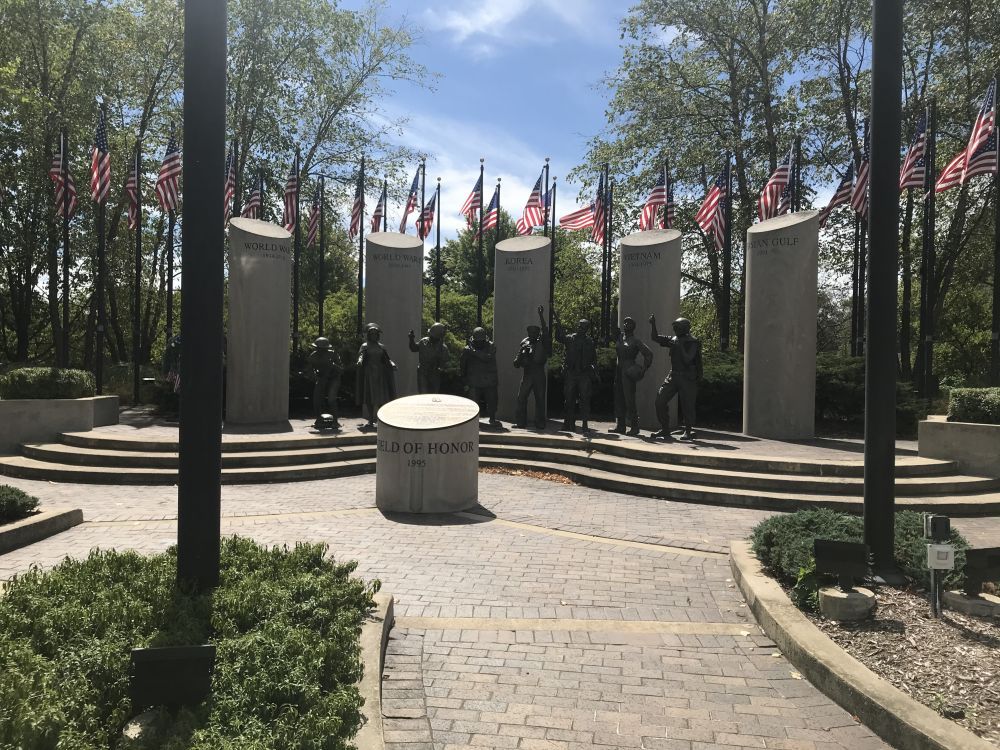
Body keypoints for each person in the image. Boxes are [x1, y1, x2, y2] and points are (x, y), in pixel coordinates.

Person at [648, 315, 703, 440]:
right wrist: (653, 324)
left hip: (687, 377)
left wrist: (679, 345)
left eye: (677, 327)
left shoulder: (692, 342)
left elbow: (688, 359)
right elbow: (655, 338)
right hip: (673, 376)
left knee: (687, 405)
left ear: (685, 328)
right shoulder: (673, 339)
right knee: (660, 401)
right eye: (674, 327)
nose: (674, 329)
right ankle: (665, 429)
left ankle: (688, 430)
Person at [554, 315, 597, 433]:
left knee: (585, 400)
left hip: (584, 374)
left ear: (586, 329)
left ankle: (585, 424)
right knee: (568, 399)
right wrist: (557, 327)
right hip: (571, 373)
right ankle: (568, 423)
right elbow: (559, 338)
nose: (580, 328)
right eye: (579, 326)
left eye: (583, 327)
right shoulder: (570, 338)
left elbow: (594, 358)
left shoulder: (589, 342)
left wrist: (594, 370)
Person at [611, 317, 653, 436]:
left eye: (628, 323)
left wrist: (643, 370)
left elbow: (649, 354)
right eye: (624, 322)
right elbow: (613, 326)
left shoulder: (635, 341)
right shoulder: (619, 337)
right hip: (619, 370)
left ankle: (635, 426)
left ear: (633, 327)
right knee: (618, 398)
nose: (625, 324)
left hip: (629, 370)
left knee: (629, 399)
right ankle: (620, 425)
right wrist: (614, 310)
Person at [513, 305, 550, 429]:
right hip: (527, 374)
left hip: (539, 374)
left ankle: (540, 422)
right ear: (528, 333)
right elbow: (516, 361)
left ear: (538, 333)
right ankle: (521, 422)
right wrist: (519, 360)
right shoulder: (524, 343)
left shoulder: (542, 341)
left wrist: (541, 315)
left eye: (535, 332)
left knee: (540, 399)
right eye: (531, 332)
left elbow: (545, 330)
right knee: (521, 398)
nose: (533, 334)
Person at [356, 322, 396, 430]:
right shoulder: (365, 346)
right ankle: (370, 419)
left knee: (381, 397)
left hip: (380, 374)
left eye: (375, 334)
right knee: (369, 396)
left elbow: (387, 359)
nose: (374, 335)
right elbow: (361, 355)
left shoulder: (381, 347)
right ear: (369, 335)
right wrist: (360, 361)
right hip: (369, 373)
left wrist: (392, 364)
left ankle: (380, 419)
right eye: (372, 334)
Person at [460, 326, 500, 428]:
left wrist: (473, 352)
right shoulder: (467, 350)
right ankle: (473, 420)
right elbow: (463, 365)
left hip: (489, 379)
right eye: (477, 341)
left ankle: (492, 418)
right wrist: (464, 378)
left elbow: (487, 358)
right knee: (473, 401)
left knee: (492, 400)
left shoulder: (491, 346)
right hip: (474, 380)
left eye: (481, 341)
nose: (480, 343)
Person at [307, 337, 343, 429]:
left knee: (331, 399)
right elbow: (310, 370)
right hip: (321, 378)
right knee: (316, 399)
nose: (320, 350)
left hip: (334, 379)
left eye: (322, 349)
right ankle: (319, 420)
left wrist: (333, 365)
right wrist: (315, 376)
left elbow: (341, 369)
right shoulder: (313, 356)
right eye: (318, 348)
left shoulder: (333, 354)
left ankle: (335, 421)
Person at [408, 322, 449, 394]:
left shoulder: (443, 348)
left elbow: (444, 363)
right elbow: (413, 348)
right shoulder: (423, 341)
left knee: (433, 395)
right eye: (430, 334)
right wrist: (411, 339)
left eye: (432, 336)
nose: (430, 336)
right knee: (423, 394)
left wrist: (440, 368)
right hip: (422, 372)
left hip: (434, 373)